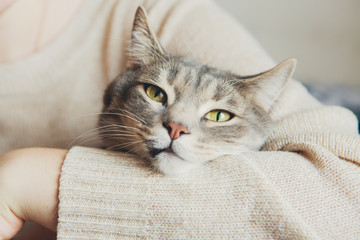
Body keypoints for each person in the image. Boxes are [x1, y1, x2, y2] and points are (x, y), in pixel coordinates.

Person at [1, 0, 360, 239]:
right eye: (158, 94)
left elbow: (348, 192)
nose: (178, 126)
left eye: (218, 115)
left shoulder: (165, 13)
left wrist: (35, 178)